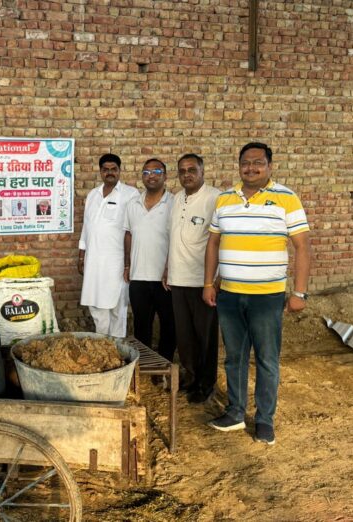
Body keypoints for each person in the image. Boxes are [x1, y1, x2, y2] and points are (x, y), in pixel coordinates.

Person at [204, 142, 310, 445]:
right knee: (234, 358)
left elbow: (303, 247)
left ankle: (264, 420)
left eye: (258, 163)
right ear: (238, 166)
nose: (251, 168)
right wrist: (208, 283)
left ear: (270, 166)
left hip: (267, 297)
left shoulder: (286, 199)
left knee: (266, 359)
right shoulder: (225, 199)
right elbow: (213, 243)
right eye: (245, 163)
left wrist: (299, 293)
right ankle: (236, 412)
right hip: (230, 295)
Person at [165, 154, 220, 403]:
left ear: (202, 171)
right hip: (178, 279)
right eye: (182, 170)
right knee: (184, 336)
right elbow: (172, 238)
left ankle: (206, 384)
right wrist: (167, 269)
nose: (186, 174)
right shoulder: (176, 199)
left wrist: (215, 280)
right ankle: (190, 376)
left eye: (191, 169)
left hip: (202, 281)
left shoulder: (214, 198)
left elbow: (220, 241)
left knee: (205, 336)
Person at [78, 153, 139, 337]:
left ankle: (117, 346)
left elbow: (133, 230)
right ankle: (101, 342)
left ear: (120, 171)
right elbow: (87, 227)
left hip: (117, 261)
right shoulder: (93, 195)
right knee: (95, 305)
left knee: (117, 306)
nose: (110, 173)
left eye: (114, 169)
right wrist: (81, 255)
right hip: (93, 260)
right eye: (106, 169)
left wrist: (129, 264)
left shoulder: (130, 194)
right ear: (100, 172)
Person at [124, 158, 175, 362]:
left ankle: (164, 366)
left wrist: (169, 267)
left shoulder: (174, 202)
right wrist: (127, 264)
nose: (151, 175)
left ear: (165, 175)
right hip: (138, 276)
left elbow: (177, 238)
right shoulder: (133, 204)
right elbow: (128, 234)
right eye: (146, 172)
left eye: (156, 171)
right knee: (141, 326)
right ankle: (144, 365)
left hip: (166, 278)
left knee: (169, 326)